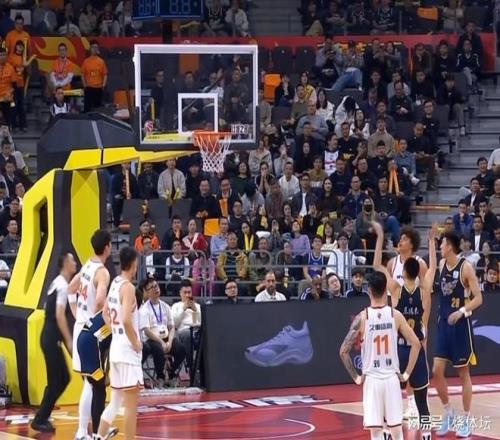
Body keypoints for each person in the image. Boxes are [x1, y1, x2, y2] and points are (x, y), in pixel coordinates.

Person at [374, 222, 437, 440]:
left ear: (403, 273)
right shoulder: (424, 290)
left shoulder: (396, 290)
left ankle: (386, 432)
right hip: (416, 348)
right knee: (422, 400)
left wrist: (380, 237)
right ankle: (427, 435)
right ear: (418, 274)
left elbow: (377, 265)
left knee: (390, 395)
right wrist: (431, 241)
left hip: (398, 347)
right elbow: (433, 268)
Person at [339, 270, 421, 440]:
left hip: (372, 381)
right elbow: (416, 344)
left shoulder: (362, 318)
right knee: (397, 432)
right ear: (385, 290)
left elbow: (343, 351)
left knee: (376, 433)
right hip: (391, 379)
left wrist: (356, 378)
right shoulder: (395, 315)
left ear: (369, 290)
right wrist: (406, 374)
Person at [432, 231, 483, 437]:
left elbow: (478, 298)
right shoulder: (442, 264)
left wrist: (461, 311)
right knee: (436, 371)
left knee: (463, 373)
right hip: (443, 325)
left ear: (450, 246)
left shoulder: (465, 267)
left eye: (442, 243)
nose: (440, 247)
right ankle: (448, 412)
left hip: (460, 327)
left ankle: (467, 419)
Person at [68, 230, 112, 440]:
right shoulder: (102, 272)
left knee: (90, 382)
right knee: (92, 383)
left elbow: (71, 288)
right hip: (91, 332)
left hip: (80, 327)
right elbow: (101, 300)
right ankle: (83, 432)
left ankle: (88, 430)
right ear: (108, 247)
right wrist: (96, 324)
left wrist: (77, 314)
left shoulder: (87, 265)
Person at [95, 247, 142, 440]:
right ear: (133, 263)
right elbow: (127, 320)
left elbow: (105, 313)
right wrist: (136, 343)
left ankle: (98, 437)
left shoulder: (115, 282)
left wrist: (115, 331)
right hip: (127, 352)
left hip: (115, 348)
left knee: (115, 403)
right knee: (130, 407)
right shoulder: (128, 287)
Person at [30, 253, 77, 433]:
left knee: (62, 378)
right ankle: (40, 418)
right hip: (50, 338)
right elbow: (59, 315)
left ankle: (43, 415)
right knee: (58, 380)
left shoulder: (57, 282)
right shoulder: (63, 286)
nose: (75, 263)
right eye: (72, 260)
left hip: (50, 337)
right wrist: (69, 341)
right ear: (65, 263)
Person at [140, 276, 186, 388]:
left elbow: (171, 327)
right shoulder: (144, 309)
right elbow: (147, 331)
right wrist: (161, 342)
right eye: (152, 287)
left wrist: (169, 341)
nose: (156, 288)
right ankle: (160, 377)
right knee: (158, 349)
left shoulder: (165, 306)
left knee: (181, 349)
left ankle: (171, 372)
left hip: (166, 337)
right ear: (147, 292)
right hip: (152, 339)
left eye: (156, 286)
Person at [81, 40, 108, 112]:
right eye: (93, 47)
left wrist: (103, 85)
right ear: (90, 49)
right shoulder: (86, 61)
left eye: (96, 47)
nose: (95, 49)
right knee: (87, 109)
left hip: (98, 88)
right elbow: (82, 74)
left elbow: (105, 74)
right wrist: (84, 85)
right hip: (89, 88)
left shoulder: (101, 61)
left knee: (97, 109)